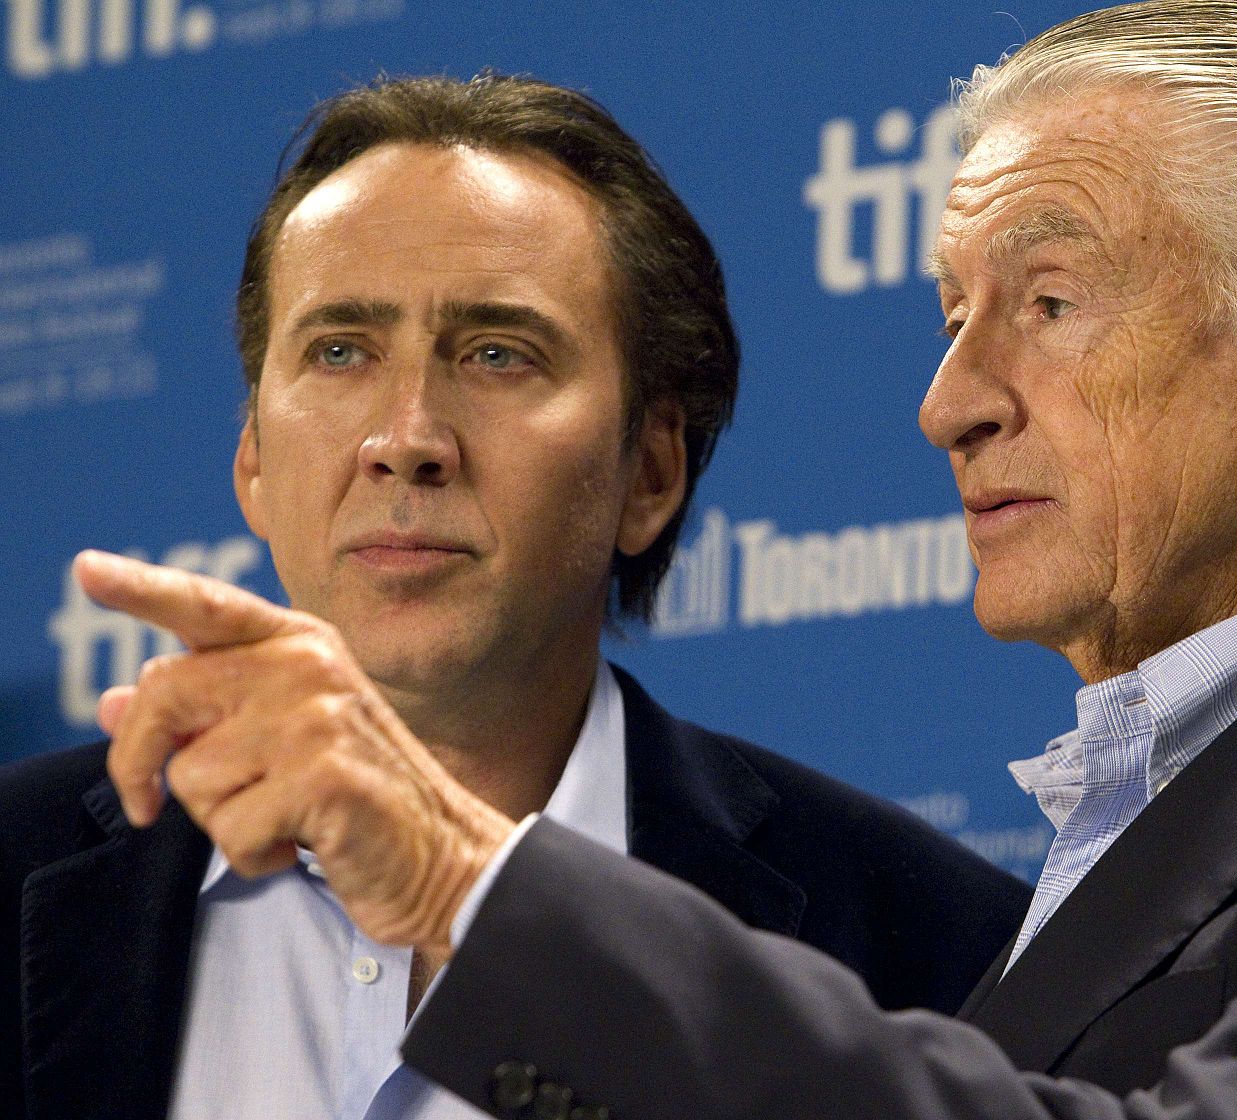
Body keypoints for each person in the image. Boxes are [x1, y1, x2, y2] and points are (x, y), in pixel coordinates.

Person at [24, 0, 1237, 1115]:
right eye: (950, 318)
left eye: (1047, 303)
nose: (947, 404)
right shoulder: (1133, 838)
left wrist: (455, 883)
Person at [0, 75, 1032, 1120]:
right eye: (340, 351)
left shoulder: (928, 947)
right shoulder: (19, 864)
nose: (405, 439)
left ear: (651, 472)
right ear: (253, 461)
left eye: (498, 354)